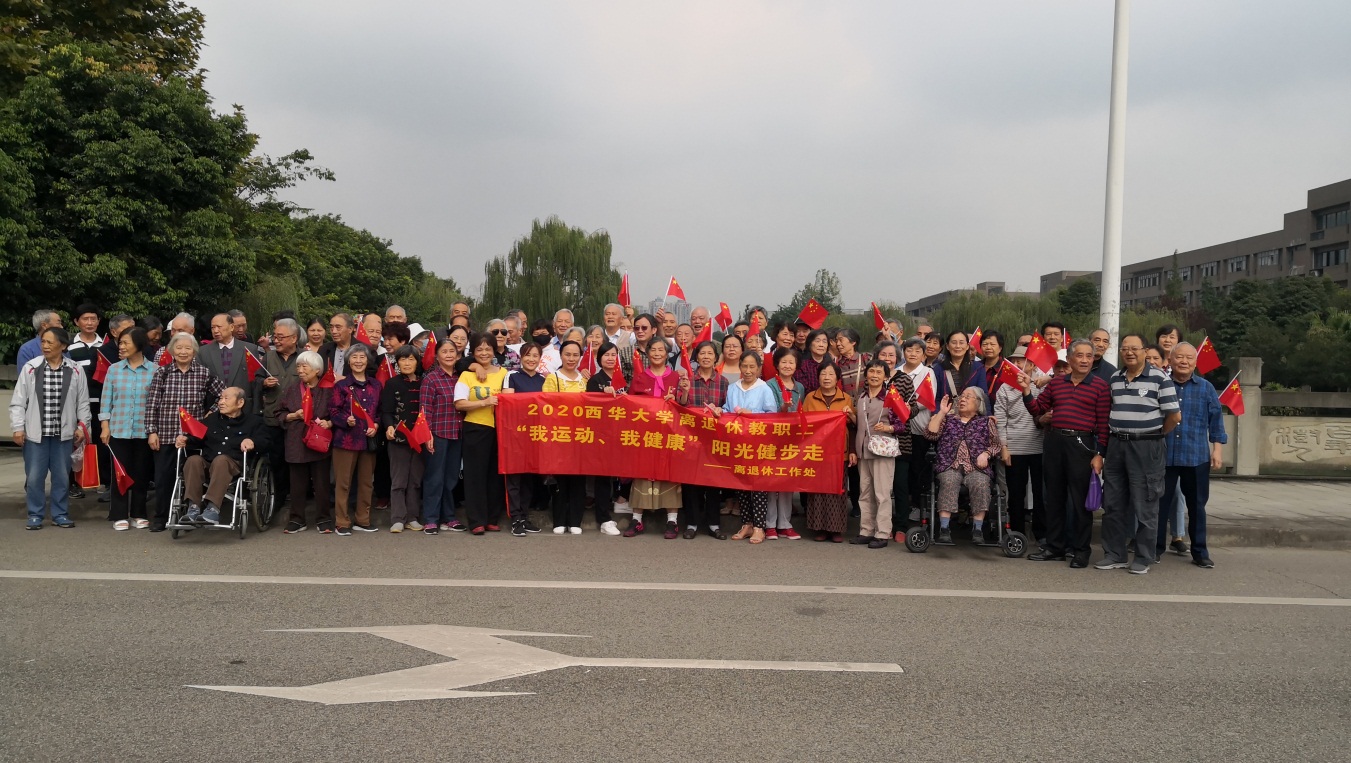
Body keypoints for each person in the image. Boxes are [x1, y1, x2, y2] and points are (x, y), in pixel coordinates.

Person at [1018, 339, 1110, 567]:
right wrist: (1027, 391)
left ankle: (1081, 550)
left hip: (1082, 445)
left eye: (1089, 356)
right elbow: (1038, 409)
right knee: (1054, 498)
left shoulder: (1100, 386)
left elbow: (1103, 425)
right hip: (1054, 442)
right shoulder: (1057, 383)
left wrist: (1100, 453)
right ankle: (1054, 547)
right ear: (1069, 359)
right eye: (1080, 355)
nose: (1085, 360)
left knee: (1079, 501)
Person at [1095, 334, 1180, 575]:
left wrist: (1154, 435)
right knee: (1113, 502)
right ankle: (1114, 554)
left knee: (1146, 504)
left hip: (1147, 447)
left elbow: (1174, 416)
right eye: (1125, 349)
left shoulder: (1160, 378)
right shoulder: (1115, 378)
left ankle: (1143, 556)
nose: (1129, 353)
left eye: (1134, 348)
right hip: (1117, 445)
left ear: (1144, 351)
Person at [143, 331, 225, 531]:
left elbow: (224, 394)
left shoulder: (203, 373)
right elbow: (152, 403)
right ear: (172, 350)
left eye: (187, 348)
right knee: (163, 478)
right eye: (179, 348)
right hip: (166, 434)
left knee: (190, 477)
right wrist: (151, 431)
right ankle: (161, 517)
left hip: (192, 436)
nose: (183, 352)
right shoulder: (162, 373)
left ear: (194, 351)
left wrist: (210, 413)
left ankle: (190, 513)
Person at [10, 326, 90, 529]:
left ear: (63, 346)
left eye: (49, 342)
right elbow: (18, 401)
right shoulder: (31, 367)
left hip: (64, 434)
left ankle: (60, 514)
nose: (44, 346)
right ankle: (35, 514)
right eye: (43, 342)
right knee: (34, 477)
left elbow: (82, 402)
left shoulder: (75, 369)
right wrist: (18, 427)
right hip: (35, 434)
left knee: (62, 477)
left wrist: (82, 426)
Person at [1158, 342, 1225, 568]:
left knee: (1197, 506)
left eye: (1189, 358)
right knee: (1159, 505)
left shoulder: (1206, 388)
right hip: (1165, 456)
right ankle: (1155, 548)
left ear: (1195, 363)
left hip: (1196, 456)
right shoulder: (1162, 385)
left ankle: (1200, 552)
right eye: (1179, 357)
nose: (1184, 361)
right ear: (1171, 360)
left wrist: (1217, 449)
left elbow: (1216, 420)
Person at [624, 336, 689, 538]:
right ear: (648, 353)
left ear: (667, 354)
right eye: (654, 350)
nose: (658, 353)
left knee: (669, 474)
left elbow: (684, 407)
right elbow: (630, 406)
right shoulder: (640, 378)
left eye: (662, 350)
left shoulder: (676, 377)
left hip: (669, 435)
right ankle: (637, 520)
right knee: (642, 474)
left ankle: (672, 522)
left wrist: (680, 396)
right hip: (645, 436)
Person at [176, 386, 268, 524]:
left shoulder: (254, 422)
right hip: (209, 463)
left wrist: (252, 441)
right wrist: (185, 439)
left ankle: (213, 509)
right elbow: (197, 438)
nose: (221, 402)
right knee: (193, 460)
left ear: (240, 402)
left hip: (234, 465)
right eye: (220, 398)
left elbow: (266, 442)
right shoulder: (211, 420)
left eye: (226, 398)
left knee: (221, 461)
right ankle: (193, 508)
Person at [926, 387, 1001, 545]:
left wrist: (986, 454)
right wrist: (942, 413)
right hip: (949, 465)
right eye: (962, 396)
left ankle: (977, 529)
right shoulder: (948, 419)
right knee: (949, 480)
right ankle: (944, 528)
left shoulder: (986, 422)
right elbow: (930, 434)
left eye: (968, 397)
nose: (962, 399)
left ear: (978, 403)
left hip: (976, 467)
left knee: (981, 482)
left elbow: (996, 445)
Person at [99, 327, 155, 530]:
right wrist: (105, 427)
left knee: (141, 473)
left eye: (125, 343)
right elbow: (106, 401)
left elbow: (157, 403)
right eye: (120, 343)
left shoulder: (155, 370)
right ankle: (119, 514)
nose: (121, 347)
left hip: (143, 430)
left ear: (139, 344)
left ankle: (139, 513)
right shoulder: (114, 370)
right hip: (118, 429)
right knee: (119, 474)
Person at [455, 333, 509, 535]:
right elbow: (459, 404)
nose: (484, 353)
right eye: (479, 349)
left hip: (501, 430)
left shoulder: (504, 373)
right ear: (473, 352)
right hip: (476, 428)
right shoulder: (466, 375)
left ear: (494, 351)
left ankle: (492, 519)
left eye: (488, 349)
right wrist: (483, 403)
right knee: (475, 476)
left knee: (495, 475)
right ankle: (476, 521)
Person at [327, 344, 382, 536]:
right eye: (354, 357)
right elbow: (333, 411)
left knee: (366, 483)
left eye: (362, 357)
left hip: (368, 440)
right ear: (348, 361)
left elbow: (380, 411)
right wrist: (345, 420)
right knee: (343, 483)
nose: (358, 361)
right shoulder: (341, 386)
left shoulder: (376, 385)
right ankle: (342, 521)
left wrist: (376, 425)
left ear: (368, 360)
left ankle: (362, 520)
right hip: (346, 440)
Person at [276, 352, 333, 533]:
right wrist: (293, 415)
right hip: (296, 440)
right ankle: (297, 519)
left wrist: (329, 422)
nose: (300, 370)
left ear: (317, 370)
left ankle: (324, 518)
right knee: (297, 484)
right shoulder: (292, 390)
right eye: (298, 367)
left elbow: (337, 413)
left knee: (322, 483)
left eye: (304, 367)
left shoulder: (328, 390)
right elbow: (279, 414)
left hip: (318, 440)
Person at [726, 351, 778, 544]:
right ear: (740, 366)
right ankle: (746, 524)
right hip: (738, 444)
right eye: (744, 366)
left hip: (758, 444)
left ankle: (759, 527)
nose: (748, 371)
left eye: (752, 367)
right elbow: (727, 410)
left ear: (758, 368)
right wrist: (719, 411)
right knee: (741, 484)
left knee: (758, 485)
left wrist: (752, 413)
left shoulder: (764, 388)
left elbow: (772, 416)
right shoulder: (732, 388)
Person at [851, 360, 904, 548]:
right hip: (863, 450)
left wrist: (888, 428)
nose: (874, 375)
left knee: (882, 493)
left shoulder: (891, 397)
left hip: (882, 451)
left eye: (879, 372)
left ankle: (882, 533)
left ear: (886, 376)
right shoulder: (861, 397)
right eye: (871, 371)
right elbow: (860, 424)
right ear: (866, 375)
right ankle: (866, 530)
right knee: (865, 492)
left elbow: (902, 424)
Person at [802, 361, 856, 542]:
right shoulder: (810, 398)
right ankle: (819, 528)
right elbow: (803, 424)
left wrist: (852, 449)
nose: (826, 378)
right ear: (818, 377)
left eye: (831, 374)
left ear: (837, 378)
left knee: (837, 489)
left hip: (839, 452)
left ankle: (836, 529)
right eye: (823, 374)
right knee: (817, 490)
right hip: (816, 451)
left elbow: (853, 426)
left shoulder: (846, 398)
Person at [994, 346, 1044, 542]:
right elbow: (1001, 420)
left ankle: (1041, 534)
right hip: (1014, 448)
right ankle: (1017, 535)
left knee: (1041, 493)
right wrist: (1004, 447)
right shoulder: (1004, 388)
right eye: (1013, 361)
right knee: (1016, 493)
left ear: (1032, 365)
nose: (1016, 364)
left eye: (1021, 361)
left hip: (1040, 447)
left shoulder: (1041, 385)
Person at [682, 340, 729, 539]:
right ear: (697, 357)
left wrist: (721, 410)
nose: (706, 357)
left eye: (710, 353)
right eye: (702, 353)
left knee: (713, 482)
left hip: (714, 440)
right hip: (691, 438)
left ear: (716, 357)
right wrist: (684, 391)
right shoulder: (688, 379)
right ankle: (691, 524)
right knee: (690, 482)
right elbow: (680, 405)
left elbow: (727, 409)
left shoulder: (723, 382)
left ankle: (713, 524)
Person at [419, 336, 466, 534]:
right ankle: (431, 518)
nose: (448, 355)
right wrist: (427, 434)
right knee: (434, 478)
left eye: (452, 351)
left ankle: (449, 517)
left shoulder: (461, 378)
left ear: (458, 355)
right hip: (437, 433)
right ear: (437, 356)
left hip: (457, 433)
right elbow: (425, 410)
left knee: (451, 478)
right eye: (444, 351)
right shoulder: (431, 379)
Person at [542, 340, 589, 534]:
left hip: (580, 437)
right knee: (560, 479)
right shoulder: (553, 378)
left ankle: (575, 520)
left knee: (578, 479)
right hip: (559, 436)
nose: (571, 358)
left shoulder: (584, 380)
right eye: (567, 354)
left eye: (575, 355)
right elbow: (546, 406)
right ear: (560, 356)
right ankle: (559, 520)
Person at [379, 345, 424, 533]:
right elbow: (386, 411)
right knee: (398, 480)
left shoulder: (424, 382)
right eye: (403, 359)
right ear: (397, 362)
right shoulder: (392, 383)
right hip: (398, 438)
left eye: (411, 359)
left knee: (415, 480)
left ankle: (412, 517)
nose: (407, 363)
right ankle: (397, 518)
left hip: (420, 438)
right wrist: (389, 426)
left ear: (417, 362)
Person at [504, 342, 546, 536]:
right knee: (514, 478)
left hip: (535, 435)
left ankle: (525, 516)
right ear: (521, 357)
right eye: (528, 355)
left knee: (529, 479)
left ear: (540, 358)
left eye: (535, 356)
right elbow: (508, 404)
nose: (531, 359)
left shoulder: (543, 379)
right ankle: (515, 518)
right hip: (514, 435)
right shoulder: (511, 376)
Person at [66, 303, 107, 500]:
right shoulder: (68, 346)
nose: (90, 323)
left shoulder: (105, 345)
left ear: (99, 321)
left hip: (101, 401)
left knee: (101, 441)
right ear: (76, 322)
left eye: (93, 319)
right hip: (75, 403)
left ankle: (103, 480)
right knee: (74, 441)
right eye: (85, 319)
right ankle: (72, 483)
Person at [764, 347, 806, 540]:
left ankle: (785, 524)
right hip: (773, 438)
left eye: (791, 362)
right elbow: (770, 412)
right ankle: (770, 524)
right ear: (777, 364)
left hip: (792, 440)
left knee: (788, 481)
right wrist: (784, 407)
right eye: (784, 362)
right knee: (772, 482)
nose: (787, 366)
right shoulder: (769, 385)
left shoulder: (800, 387)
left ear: (796, 366)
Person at [584, 342, 625, 536]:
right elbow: (590, 408)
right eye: (606, 355)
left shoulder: (622, 380)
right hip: (601, 435)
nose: (610, 358)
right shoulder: (595, 380)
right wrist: (603, 395)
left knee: (616, 477)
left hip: (620, 434)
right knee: (602, 478)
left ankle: (612, 510)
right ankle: (603, 519)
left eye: (613, 354)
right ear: (599, 358)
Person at [899, 338, 936, 522]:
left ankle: (918, 506)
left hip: (920, 428)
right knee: (903, 470)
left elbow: (928, 398)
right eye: (909, 350)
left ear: (923, 354)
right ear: (903, 352)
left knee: (918, 469)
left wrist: (907, 406)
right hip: (900, 429)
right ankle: (902, 506)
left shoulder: (928, 372)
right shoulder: (897, 372)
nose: (912, 354)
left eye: (917, 351)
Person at [199, 312, 262, 409]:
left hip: (243, 407)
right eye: (213, 328)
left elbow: (255, 383)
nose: (216, 331)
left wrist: (257, 409)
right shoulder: (203, 352)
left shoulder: (249, 349)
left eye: (219, 327)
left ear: (231, 327)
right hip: (213, 408)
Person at [933, 330, 988, 402]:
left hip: (971, 409)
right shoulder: (938, 369)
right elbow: (936, 398)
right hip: (945, 408)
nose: (958, 346)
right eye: (954, 343)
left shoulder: (978, 368)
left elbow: (983, 396)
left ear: (967, 346)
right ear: (947, 346)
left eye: (961, 343)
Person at [834, 328, 869, 398]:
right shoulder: (836, 364)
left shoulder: (866, 358)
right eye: (836, 341)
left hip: (865, 403)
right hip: (846, 403)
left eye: (841, 340)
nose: (838, 344)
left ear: (853, 342)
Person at [795, 329, 832, 393]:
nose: (821, 345)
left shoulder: (832, 366)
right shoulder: (802, 366)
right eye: (817, 341)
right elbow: (803, 389)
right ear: (809, 344)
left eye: (824, 342)